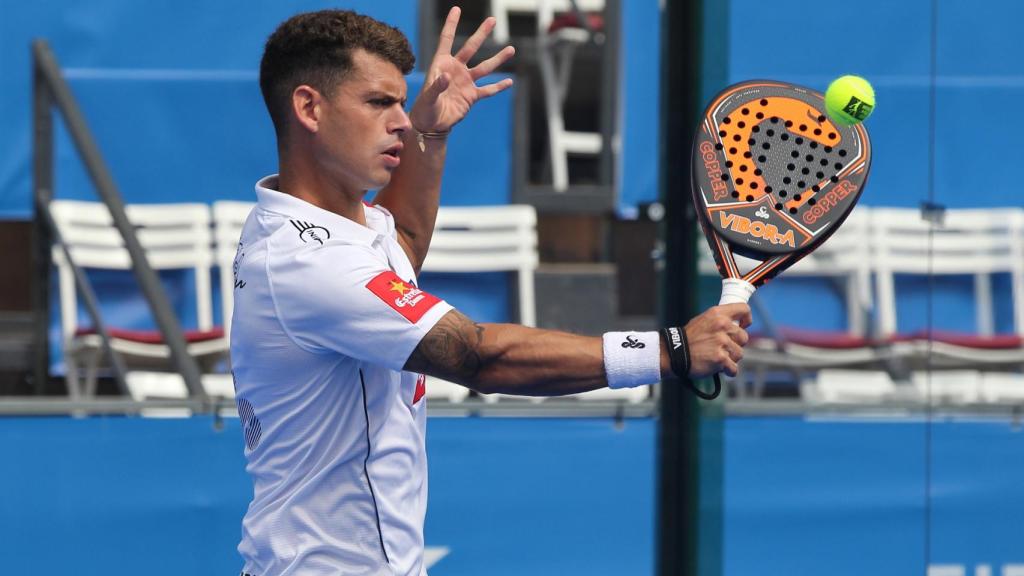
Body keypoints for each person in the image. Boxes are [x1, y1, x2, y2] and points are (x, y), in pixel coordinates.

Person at [230, 7, 751, 575]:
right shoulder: (307, 260)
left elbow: (400, 240)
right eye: (380, 103)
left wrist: (432, 132)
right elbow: (476, 355)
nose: (401, 121)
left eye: (403, 104)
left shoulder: (344, 227)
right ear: (309, 107)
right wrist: (669, 351)